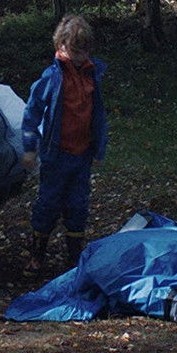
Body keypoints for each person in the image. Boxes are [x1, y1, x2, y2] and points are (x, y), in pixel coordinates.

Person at [20, 14, 109, 273]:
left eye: (84, 51)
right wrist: (29, 147)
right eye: (74, 50)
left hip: (82, 154)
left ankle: (74, 257)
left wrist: (99, 147)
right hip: (55, 154)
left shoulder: (93, 75)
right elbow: (32, 112)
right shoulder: (52, 77)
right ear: (60, 46)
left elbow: (98, 114)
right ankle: (37, 254)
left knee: (78, 205)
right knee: (48, 203)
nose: (80, 56)